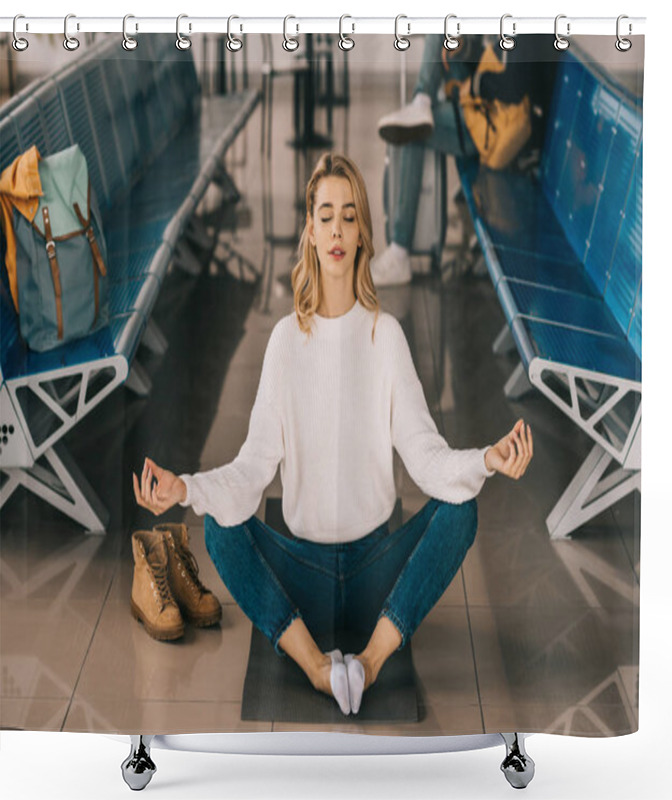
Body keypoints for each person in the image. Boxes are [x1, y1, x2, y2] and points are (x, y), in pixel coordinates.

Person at [133, 152, 533, 716]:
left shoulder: (385, 336)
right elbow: (253, 467)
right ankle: (316, 666)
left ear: (362, 232)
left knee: (461, 510)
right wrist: (186, 490)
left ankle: (369, 661)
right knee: (222, 529)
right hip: (303, 579)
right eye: (326, 216)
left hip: (376, 577)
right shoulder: (284, 341)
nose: (338, 229)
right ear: (311, 232)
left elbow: (424, 454)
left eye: (349, 215)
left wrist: (486, 460)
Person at [372, 34, 557, 287]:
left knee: (413, 132)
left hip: (500, 132)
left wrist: (476, 85)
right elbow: (498, 62)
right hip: (494, 115)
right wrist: (465, 49)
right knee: (445, 33)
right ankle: (422, 100)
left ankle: (399, 251)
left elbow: (515, 89)